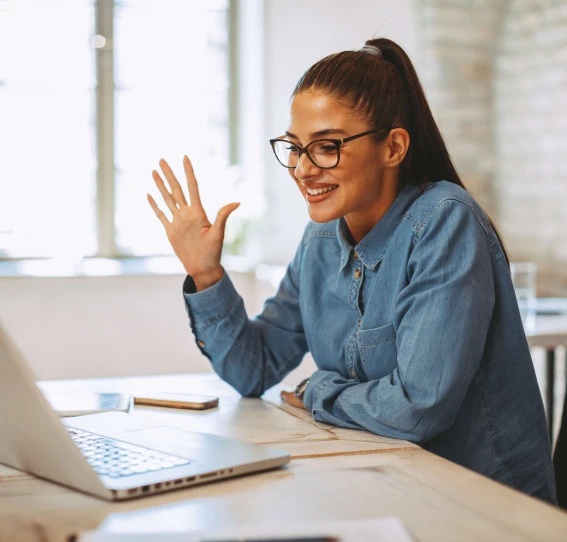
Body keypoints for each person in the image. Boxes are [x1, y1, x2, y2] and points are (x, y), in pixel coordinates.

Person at [147, 38, 557, 504]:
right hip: (383, 485)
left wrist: (321, 389)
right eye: (295, 148)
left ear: (394, 147)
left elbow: (418, 408)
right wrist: (206, 275)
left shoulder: (444, 220)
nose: (302, 169)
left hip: (483, 506)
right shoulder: (321, 240)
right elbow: (253, 368)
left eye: (326, 147)